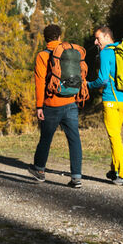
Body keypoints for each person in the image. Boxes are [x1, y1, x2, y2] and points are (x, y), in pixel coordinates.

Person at [28, 24, 87, 187]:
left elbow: (39, 82)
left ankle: (39, 170)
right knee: (74, 139)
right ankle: (76, 177)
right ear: (60, 37)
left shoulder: (42, 55)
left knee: (46, 138)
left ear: (45, 38)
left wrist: (39, 106)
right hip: (71, 101)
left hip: (51, 104)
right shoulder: (68, 53)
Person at [89, 26, 123, 186]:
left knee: (114, 137)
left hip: (111, 100)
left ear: (107, 37)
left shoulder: (106, 52)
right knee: (116, 135)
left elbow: (102, 80)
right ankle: (114, 170)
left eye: (98, 38)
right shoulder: (121, 50)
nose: (95, 42)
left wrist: (88, 84)